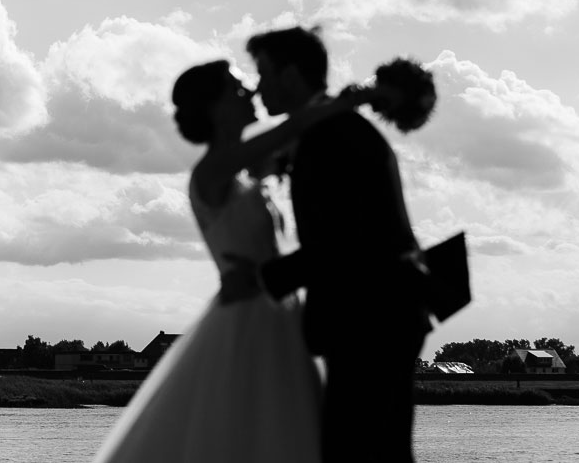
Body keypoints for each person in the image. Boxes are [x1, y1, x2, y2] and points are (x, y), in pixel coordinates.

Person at [94, 59, 393, 463]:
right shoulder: (212, 170)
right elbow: (290, 130)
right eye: (237, 88)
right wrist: (349, 100)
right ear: (216, 107)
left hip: (280, 311)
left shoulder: (247, 171)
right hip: (246, 316)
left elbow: (287, 144)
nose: (251, 91)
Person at [242, 27, 433, 463]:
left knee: (359, 450)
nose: (259, 86)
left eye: (265, 73)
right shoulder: (329, 130)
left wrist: (263, 278)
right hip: (380, 314)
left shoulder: (331, 136)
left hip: (371, 317)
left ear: (291, 74)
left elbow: (341, 244)